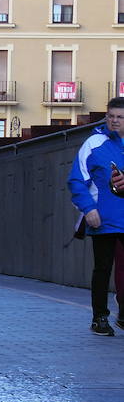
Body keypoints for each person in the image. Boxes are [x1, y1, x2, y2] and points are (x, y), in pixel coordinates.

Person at [67, 97, 124, 336]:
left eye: (120, 117)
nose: (114, 121)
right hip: (103, 219)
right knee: (102, 269)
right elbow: (77, 180)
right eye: (111, 116)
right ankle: (99, 317)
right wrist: (89, 209)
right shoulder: (94, 143)